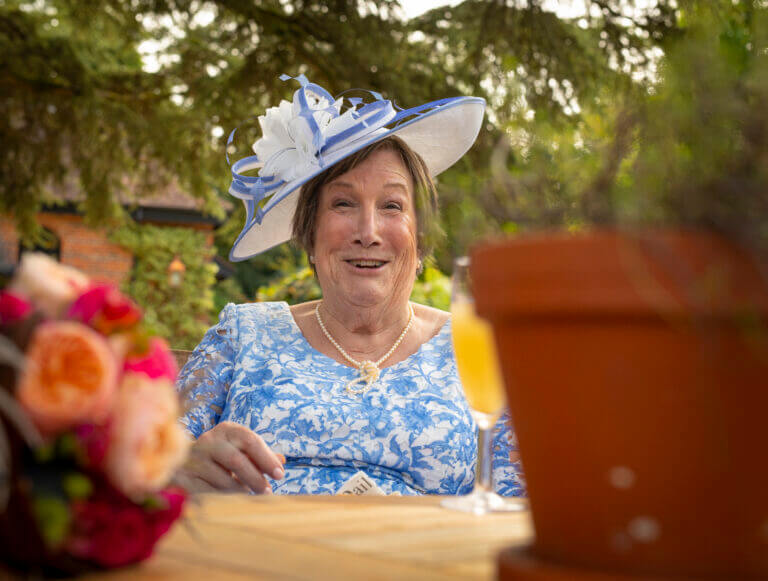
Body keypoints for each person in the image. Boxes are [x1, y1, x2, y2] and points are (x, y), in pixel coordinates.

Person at [175, 74, 525, 496]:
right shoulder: (241, 336)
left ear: (421, 236)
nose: (368, 231)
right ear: (310, 231)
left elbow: (513, 510)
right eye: (343, 203)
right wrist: (181, 466)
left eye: (392, 205)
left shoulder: (476, 353)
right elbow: (146, 465)